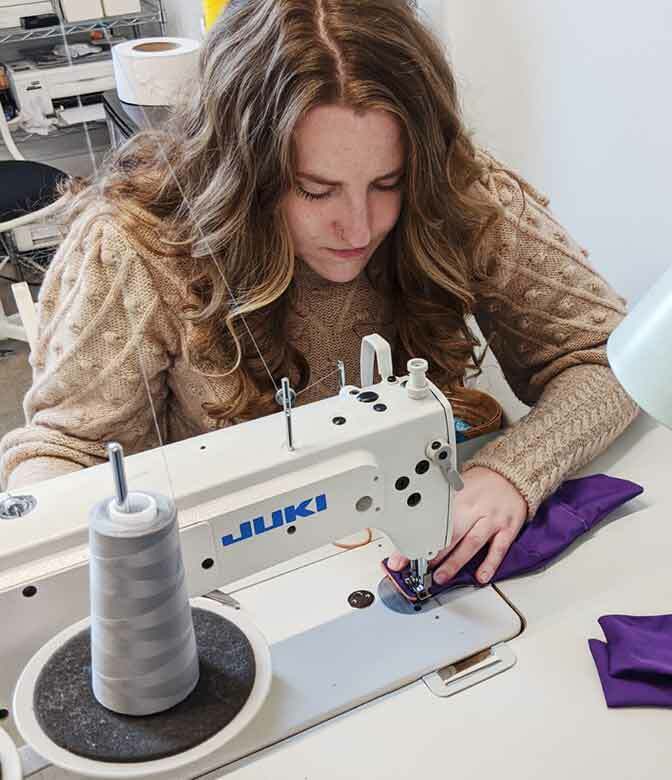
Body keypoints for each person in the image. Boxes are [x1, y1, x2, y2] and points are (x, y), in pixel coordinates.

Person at [0, 0, 637, 587]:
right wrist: (44, 562)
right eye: (314, 189)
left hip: (400, 533)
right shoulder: (136, 249)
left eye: (388, 182)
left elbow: (615, 357)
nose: (359, 228)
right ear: (241, 169)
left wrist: (512, 470)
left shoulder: (462, 199)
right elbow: (68, 452)